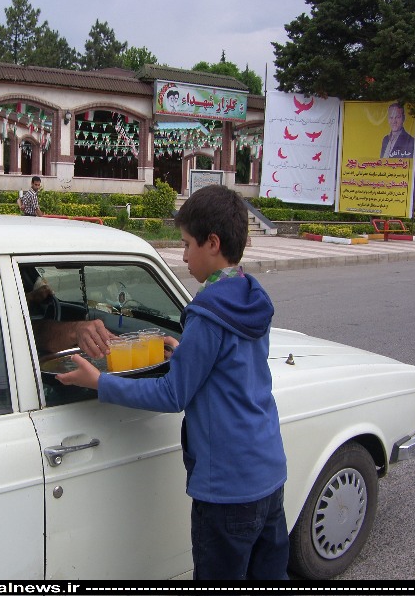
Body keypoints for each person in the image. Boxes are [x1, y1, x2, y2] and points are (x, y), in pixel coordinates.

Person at [57, 185, 288, 580]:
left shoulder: (208, 312)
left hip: (227, 488)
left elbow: (172, 394)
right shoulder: (249, 295)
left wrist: (100, 382)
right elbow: (231, 368)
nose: (182, 256)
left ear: (212, 243)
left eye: (186, 245)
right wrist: (185, 353)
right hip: (268, 474)